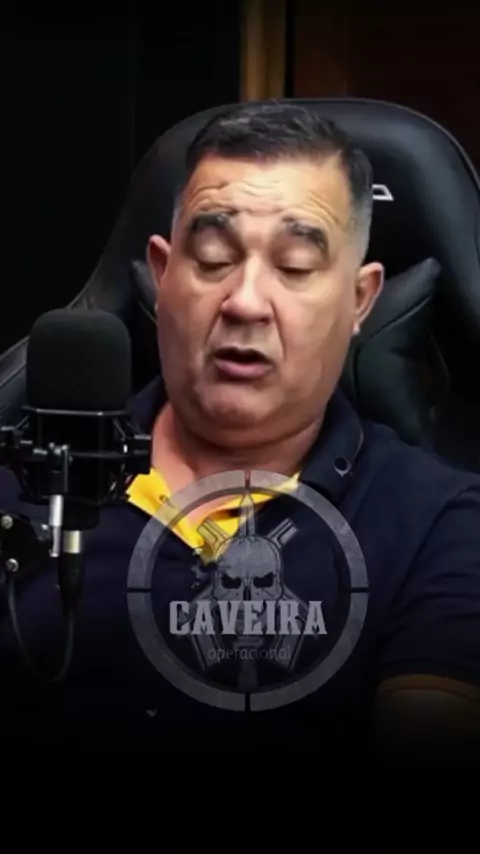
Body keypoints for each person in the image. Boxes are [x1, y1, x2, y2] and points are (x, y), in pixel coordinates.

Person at [0, 102, 479, 765]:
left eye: (295, 266)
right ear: (163, 275)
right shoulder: (21, 483)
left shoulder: (440, 525)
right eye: (214, 258)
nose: (246, 302)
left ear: (359, 300)